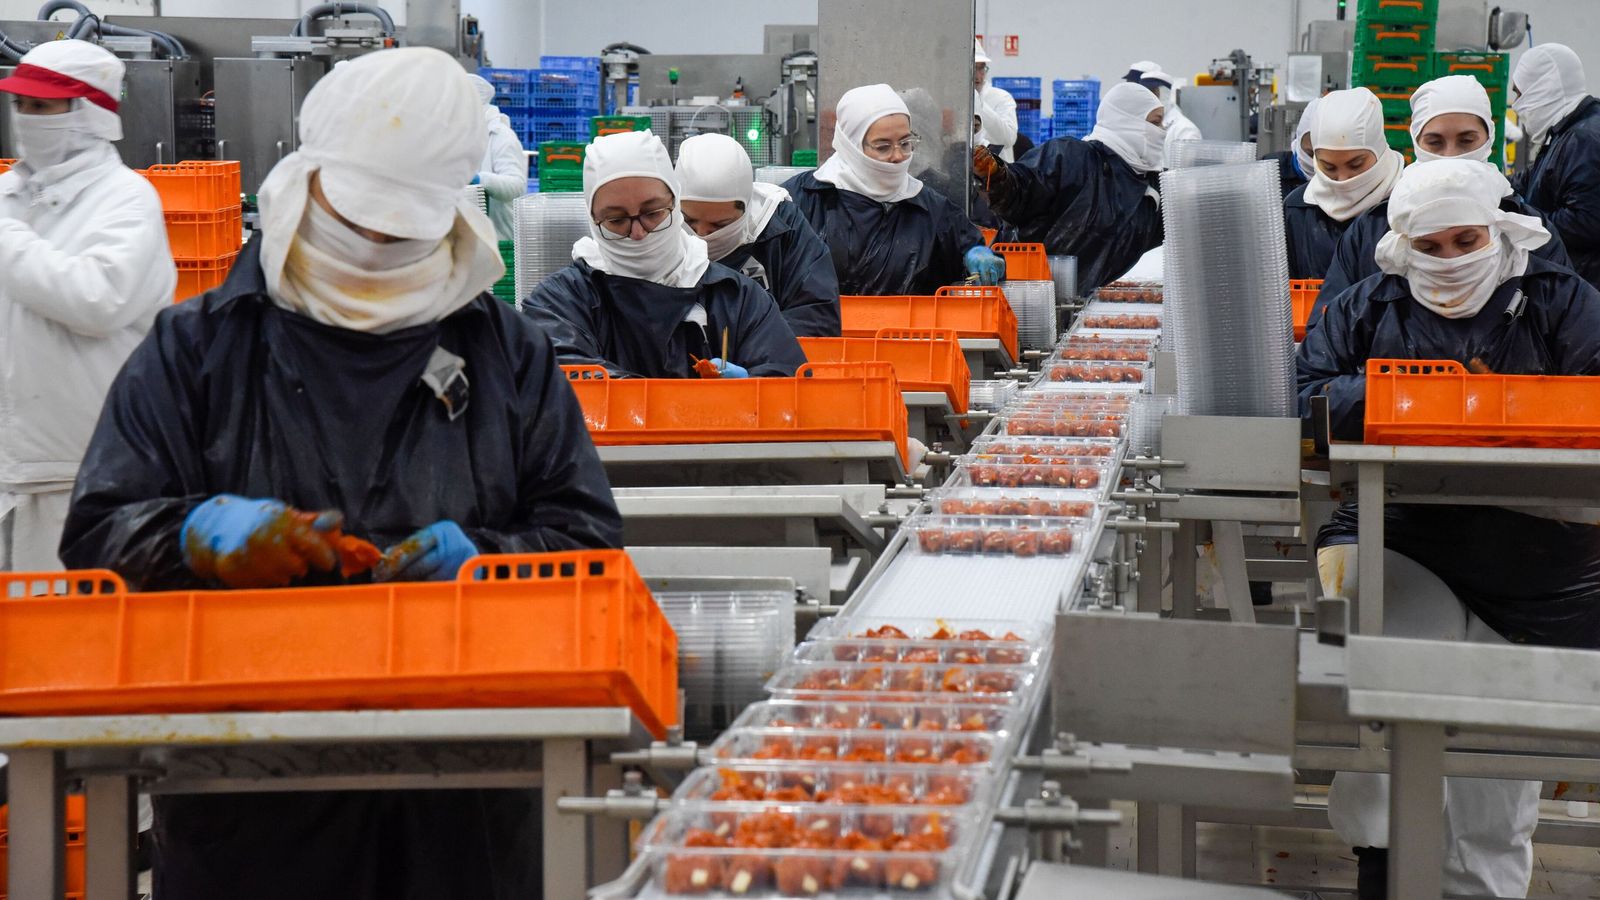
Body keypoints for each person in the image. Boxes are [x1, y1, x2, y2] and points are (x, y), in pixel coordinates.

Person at [59, 47, 621, 900]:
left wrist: (491, 559)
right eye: (359, 218)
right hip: (243, 784)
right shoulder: (200, 349)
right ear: (309, 178)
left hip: (472, 785)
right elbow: (98, 528)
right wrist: (191, 536)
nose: (375, 246)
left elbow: (587, 536)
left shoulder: (505, 353)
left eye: (402, 231)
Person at [1298, 159, 1600, 898]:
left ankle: (1483, 885)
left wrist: (1510, 407)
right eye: (1428, 247)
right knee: (1394, 691)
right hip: (1395, 528)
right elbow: (1305, 399)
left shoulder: (1561, 303)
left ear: (1497, 230)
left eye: (1465, 240)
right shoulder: (1369, 306)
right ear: (1403, 244)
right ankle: (1383, 864)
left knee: (1501, 748)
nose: (1448, 259)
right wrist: (1400, 399)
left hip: (1539, 548)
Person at [0, 39, 175, 575]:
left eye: (44, 107)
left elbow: (96, 298)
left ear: (89, 113)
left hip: (77, 467)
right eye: (22, 105)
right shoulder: (10, 194)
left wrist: (4, 238)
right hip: (12, 462)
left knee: (61, 638)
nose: (28, 118)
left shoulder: (126, 199)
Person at [524, 130, 806, 378]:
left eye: (652, 213)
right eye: (616, 220)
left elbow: (788, 383)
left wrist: (755, 386)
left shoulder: (736, 298)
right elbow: (559, 381)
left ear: (675, 203)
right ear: (592, 219)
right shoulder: (558, 303)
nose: (638, 233)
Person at [1315, 76, 1569, 319]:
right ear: (1416, 141)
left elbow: (1565, 317)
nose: (1451, 155)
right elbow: (1332, 325)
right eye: (1435, 143)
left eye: (1466, 141)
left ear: (1489, 137)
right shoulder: (1374, 228)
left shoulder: (1528, 228)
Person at [783, 83, 1003, 295]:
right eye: (883, 146)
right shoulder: (802, 200)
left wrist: (976, 256)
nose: (898, 156)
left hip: (906, 333)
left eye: (905, 143)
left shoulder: (930, 209)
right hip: (817, 332)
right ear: (851, 146)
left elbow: (968, 261)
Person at [973, 81, 1164, 292]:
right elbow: (1022, 189)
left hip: (1083, 308)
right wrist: (997, 175)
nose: (1162, 131)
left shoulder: (1151, 189)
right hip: (1023, 297)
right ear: (1129, 122)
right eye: (1155, 123)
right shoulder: (1071, 158)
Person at [674, 132, 840, 337]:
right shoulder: (654, 227)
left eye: (720, 225)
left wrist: (754, 349)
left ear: (747, 208)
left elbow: (816, 315)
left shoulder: (778, 226)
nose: (703, 235)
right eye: (689, 221)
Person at [1282, 87, 1403, 281]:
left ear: (1379, 150)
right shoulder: (1298, 209)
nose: (1343, 179)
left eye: (1356, 165)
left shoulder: (1407, 202)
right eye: (1328, 167)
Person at [1510, 43, 1600, 286]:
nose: (1516, 105)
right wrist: (1484, 183)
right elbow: (1530, 180)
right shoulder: (1566, 133)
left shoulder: (1584, 139)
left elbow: (1584, 223)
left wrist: (1517, 219)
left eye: (1519, 93)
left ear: (1543, 88)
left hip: (1587, 285)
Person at [466, 73, 528, 242]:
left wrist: (479, 179)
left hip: (498, 236)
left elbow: (516, 185)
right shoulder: (458, 136)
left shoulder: (501, 137)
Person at [1137, 68, 1202, 157]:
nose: (1147, 99)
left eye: (1152, 93)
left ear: (1165, 94)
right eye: (1143, 94)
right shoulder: (1140, 125)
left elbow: (1185, 168)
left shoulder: (1185, 130)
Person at [974, 39, 1019, 162]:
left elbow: (1008, 138)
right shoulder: (955, 102)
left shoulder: (1002, 98)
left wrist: (978, 103)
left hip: (997, 174)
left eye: (981, 68)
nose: (977, 76)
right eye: (973, 68)